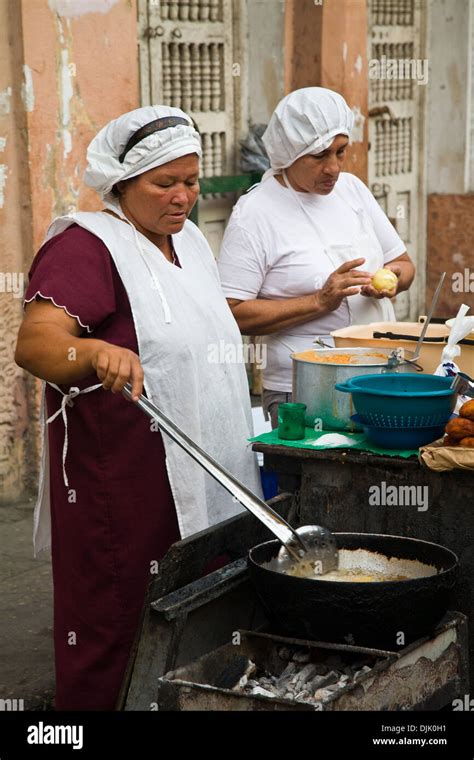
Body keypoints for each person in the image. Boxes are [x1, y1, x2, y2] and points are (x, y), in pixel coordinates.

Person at [15, 105, 262, 710]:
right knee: (116, 617)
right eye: (164, 183)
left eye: (192, 180)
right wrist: (95, 349)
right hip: (118, 482)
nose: (182, 196)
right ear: (122, 183)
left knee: (193, 607)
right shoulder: (86, 246)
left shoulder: (192, 243)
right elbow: (37, 343)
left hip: (198, 467)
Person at [218, 88, 415, 428]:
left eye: (341, 152)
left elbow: (404, 264)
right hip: (303, 390)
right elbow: (230, 312)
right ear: (288, 153)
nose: (334, 168)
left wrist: (391, 280)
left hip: (378, 375)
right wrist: (320, 302)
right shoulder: (255, 213)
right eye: (320, 155)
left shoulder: (352, 190)